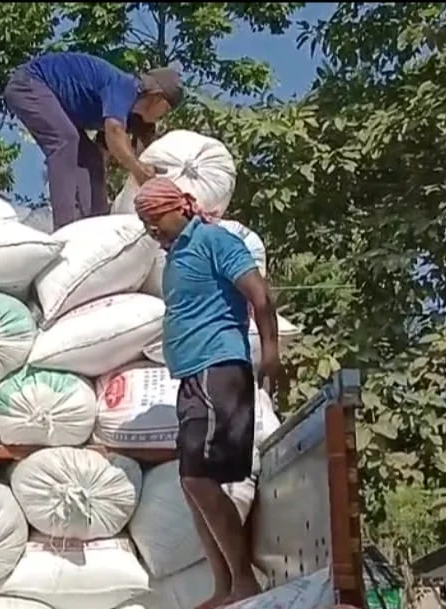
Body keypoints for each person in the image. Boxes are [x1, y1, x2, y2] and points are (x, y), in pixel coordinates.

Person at [132, 177, 280, 609]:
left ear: (178, 208)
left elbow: (260, 294)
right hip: (193, 377)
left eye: (154, 219)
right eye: (144, 223)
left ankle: (243, 582)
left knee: (199, 478)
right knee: (191, 483)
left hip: (220, 370)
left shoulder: (215, 240)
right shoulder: (176, 255)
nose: (151, 231)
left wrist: (270, 351)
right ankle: (224, 586)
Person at [3, 51, 183, 229]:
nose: (162, 117)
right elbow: (114, 131)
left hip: (57, 102)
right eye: (166, 111)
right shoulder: (124, 87)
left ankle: (95, 224)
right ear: (158, 97)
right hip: (29, 84)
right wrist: (138, 171)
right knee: (65, 141)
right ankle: (65, 227)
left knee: (92, 158)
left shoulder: (130, 116)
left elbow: (107, 150)